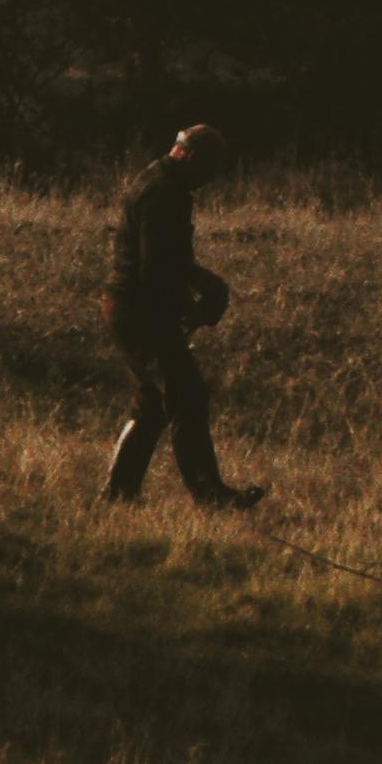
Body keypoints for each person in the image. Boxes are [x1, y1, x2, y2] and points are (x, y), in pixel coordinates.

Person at [100, 122, 263, 507]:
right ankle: (209, 496)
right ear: (189, 156)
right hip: (141, 309)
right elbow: (156, 268)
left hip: (129, 305)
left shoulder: (161, 184)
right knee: (186, 397)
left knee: (153, 401)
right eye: (207, 170)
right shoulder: (163, 193)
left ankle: (119, 494)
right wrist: (191, 308)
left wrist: (208, 287)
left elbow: (169, 260)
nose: (208, 181)